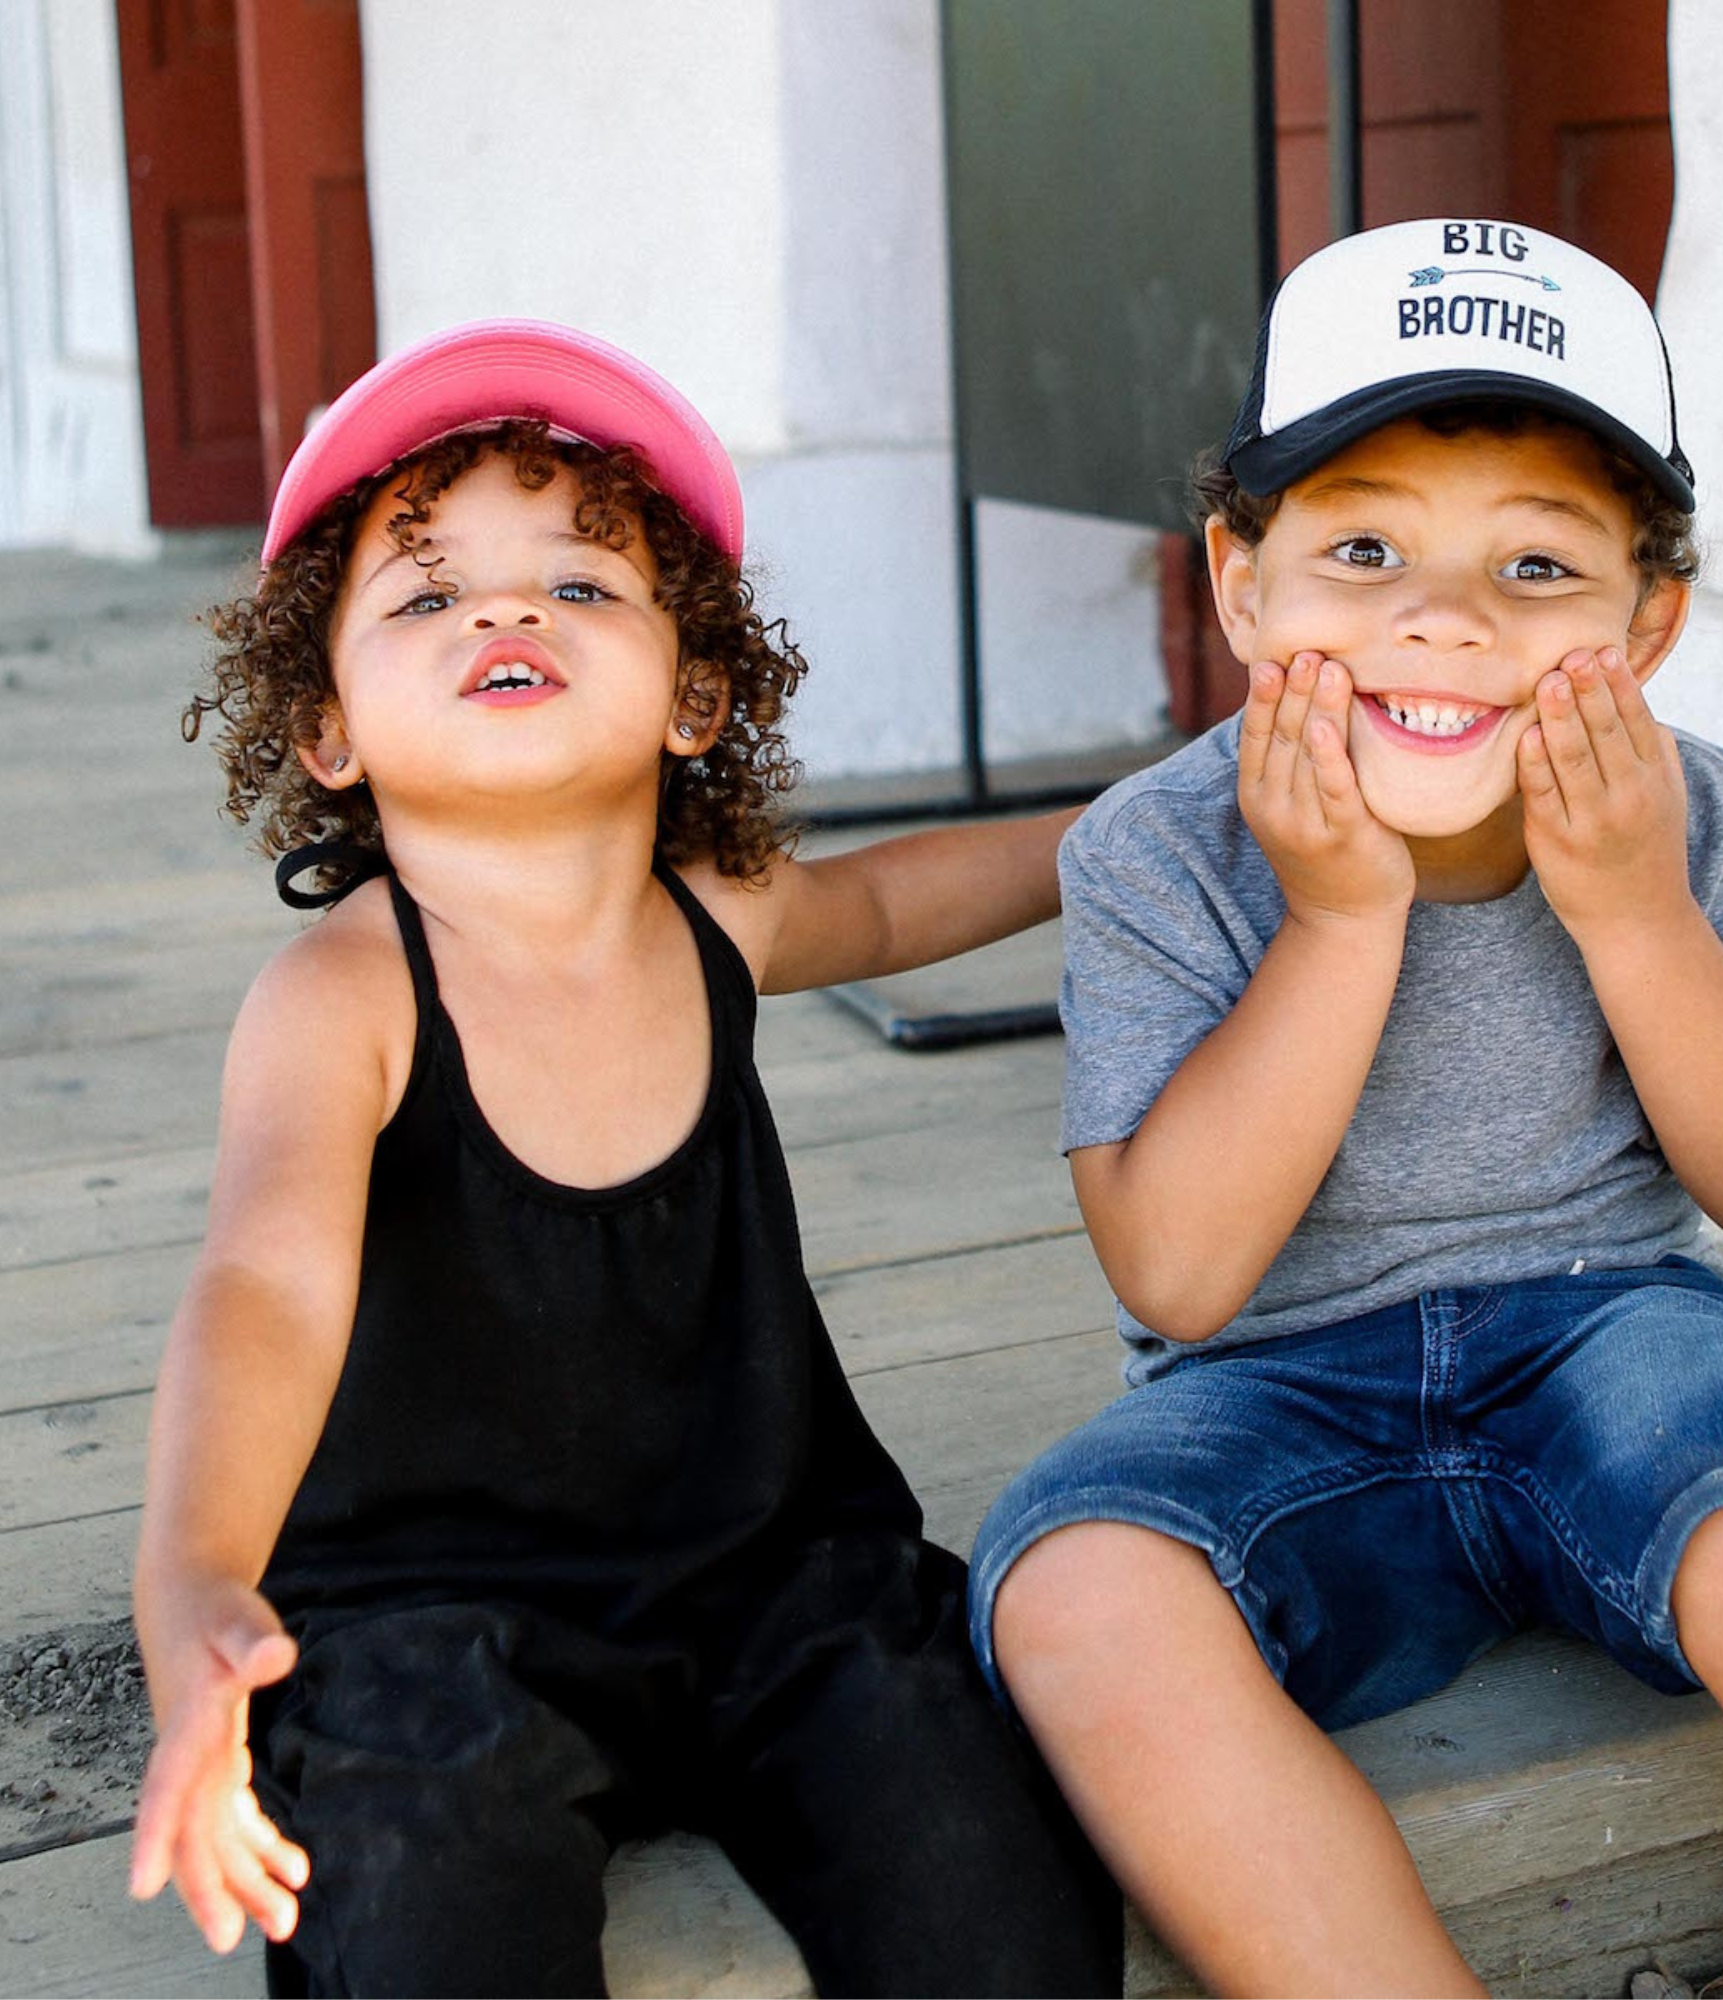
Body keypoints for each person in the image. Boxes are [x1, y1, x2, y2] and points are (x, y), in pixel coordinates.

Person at [968, 219, 1723, 1996]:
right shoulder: (1155, 849)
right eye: (1362, 546)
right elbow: (1181, 1277)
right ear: (1241, 584)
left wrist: (1636, 911)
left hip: (1619, 1333)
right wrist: (1341, 914)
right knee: (1073, 1590)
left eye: (1538, 569)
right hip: (1265, 1383)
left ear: (1647, 623)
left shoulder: (1689, 814)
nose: (1442, 619)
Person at [127, 318, 1121, 1999]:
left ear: (696, 695)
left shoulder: (714, 912)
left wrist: (1145, 824)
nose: (506, 613)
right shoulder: (342, 998)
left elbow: (896, 898)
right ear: (327, 731)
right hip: (435, 1621)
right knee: (425, 1895)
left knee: (982, 1856)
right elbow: (266, 1290)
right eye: (427, 597)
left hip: (778, 1576)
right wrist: (192, 1582)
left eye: (581, 587)